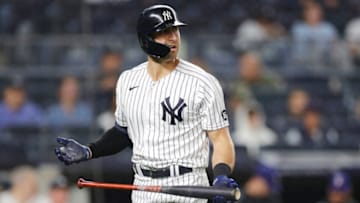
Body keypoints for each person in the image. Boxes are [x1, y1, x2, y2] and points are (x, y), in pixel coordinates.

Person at [54, 4, 239, 203]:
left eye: (174, 30)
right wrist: (90, 150)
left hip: (188, 184)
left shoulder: (203, 82)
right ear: (146, 39)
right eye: (164, 32)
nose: (173, 37)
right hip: (143, 187)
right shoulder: (128, 80)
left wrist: (221, 175)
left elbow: (220, 138)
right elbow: (123, 133)